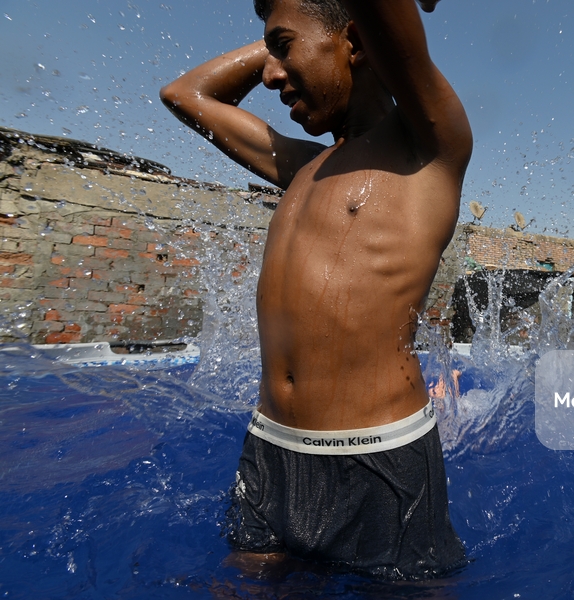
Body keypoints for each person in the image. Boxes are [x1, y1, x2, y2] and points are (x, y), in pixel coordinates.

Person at [160, 0, 470, 577]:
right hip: (268, 448)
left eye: (283, 46)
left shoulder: (428, 148)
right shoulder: (302, 165)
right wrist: (288, 38)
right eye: (268, 53)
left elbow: (385, 19)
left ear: (353, 42)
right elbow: (186, 95)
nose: (271, 75)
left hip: (377, 458)